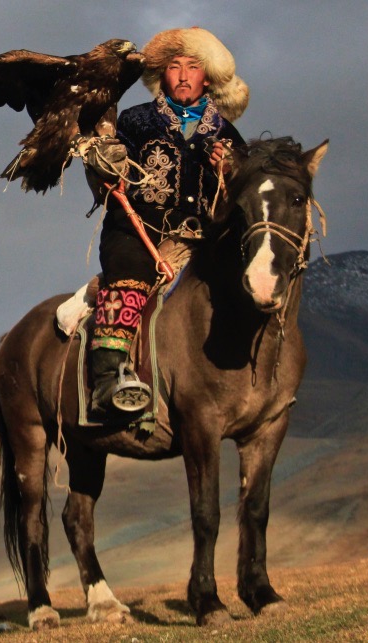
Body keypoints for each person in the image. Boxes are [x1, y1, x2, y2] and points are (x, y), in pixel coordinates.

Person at [86, 27, 249, 415]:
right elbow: (106, 174)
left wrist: (230, 170)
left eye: (192, 67)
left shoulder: (226, 134)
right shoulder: (135, 120)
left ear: (206, 77)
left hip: (200, 237)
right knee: (128, 278)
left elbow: (241, 195)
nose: (182, 75)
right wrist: (104, 163)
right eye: (174, 67)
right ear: (162, 76)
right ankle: (109, 384)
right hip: (136, 231)